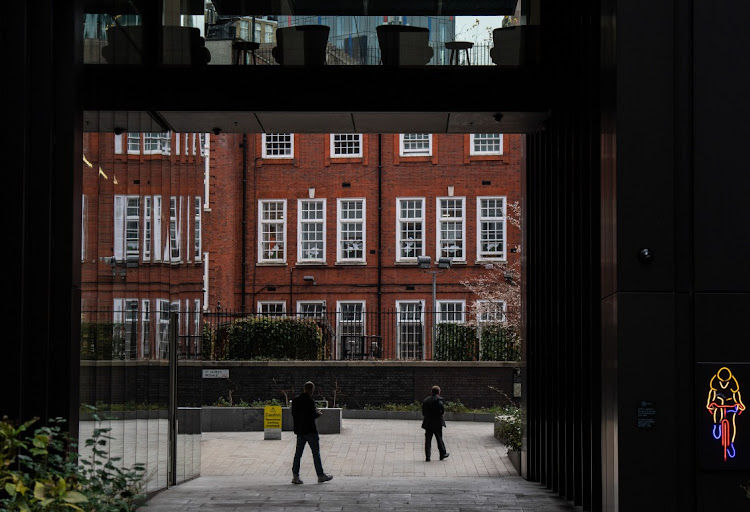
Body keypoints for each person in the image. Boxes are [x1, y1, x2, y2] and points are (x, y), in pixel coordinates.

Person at [291, 381, 333, 484]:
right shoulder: (310, 401)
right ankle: (320, 475)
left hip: (300, 431)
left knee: (298, 454)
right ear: (311, 390)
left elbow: (294, 414)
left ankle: (295, 476)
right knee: (315, 453)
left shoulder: (296, 400)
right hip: (310, 430)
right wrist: (318, 414)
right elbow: (312, 415)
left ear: (304, 388)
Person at [422, 385, 449, 461]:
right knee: (439, 439)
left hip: (428, 423)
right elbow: (442, 412)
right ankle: (442, 454)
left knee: (428, 440)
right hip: (437, 423)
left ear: (431, 392)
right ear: (439, 392)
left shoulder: (426, 400)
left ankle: (428, 456)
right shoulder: (439, 401)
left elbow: (423, 412)